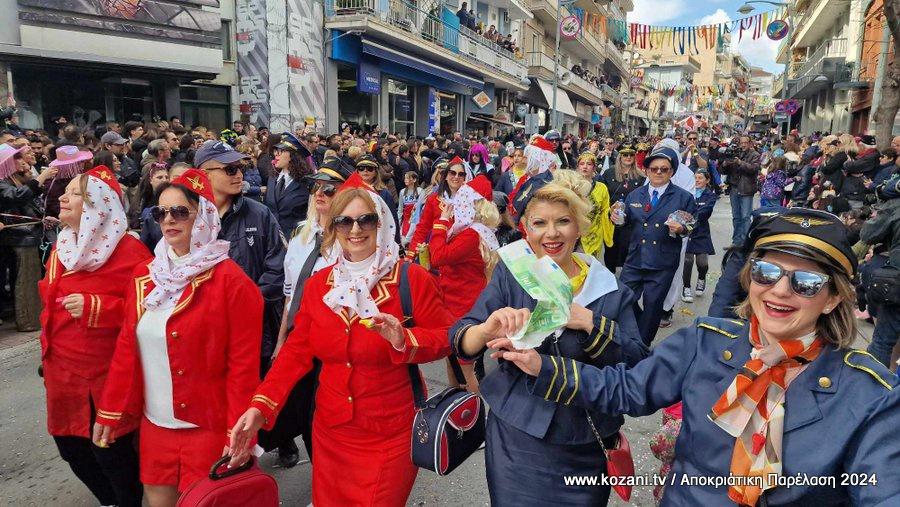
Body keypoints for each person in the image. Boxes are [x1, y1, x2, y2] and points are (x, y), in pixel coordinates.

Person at [492, 208, 900, 506]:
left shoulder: (870, 395)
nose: (780, 290)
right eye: (767, 272)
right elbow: (627, 389)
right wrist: (540, 366)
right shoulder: (704, 343)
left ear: (832, 299)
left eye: (807, 282)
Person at [227, 175, 453, 505]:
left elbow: (446, 337)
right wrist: (260, 406)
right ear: (333, 227)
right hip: (330, 433)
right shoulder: (319, 285)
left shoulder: (411, 278)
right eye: (344, 221)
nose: (355, 229)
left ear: (381, 223)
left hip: (390, 434)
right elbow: (295, 353)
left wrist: (404, 339)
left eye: (366, 219)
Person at [451, 169, 647, 506]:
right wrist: (485, 330)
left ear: (579, 227)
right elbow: (462, 339)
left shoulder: (608, 290)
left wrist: (591, 323)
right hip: (516, 438)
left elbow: (639, 367)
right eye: (540, 223)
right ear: (526, 228)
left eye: (563, 221)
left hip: (584, 440)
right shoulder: (513, 274)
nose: (551, 233)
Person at [94, 170, 263, 506]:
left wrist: (240, 432)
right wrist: (110, 410)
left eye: (180, 212)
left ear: (204, 216)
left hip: (209, 428)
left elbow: (243, 368)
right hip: (155, 427)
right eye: (161, 212)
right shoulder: (145, 276)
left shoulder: (232, 282)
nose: (169, 220)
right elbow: (127, 349)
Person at [39, 166, 150, 507]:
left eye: (74, 193)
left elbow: (150, 312)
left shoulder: (131, 253)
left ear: (97, 207)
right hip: (62, 373)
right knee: (70, 447)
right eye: (66, 191)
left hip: (106, 376)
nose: (63, 197)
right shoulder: (62, 247)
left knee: (112, 452)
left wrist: (98, 307)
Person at [270, 157, 351, 462]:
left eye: (329, 189)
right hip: (299, 338)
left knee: (326, 415)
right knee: (302, 412)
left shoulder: (351, 240)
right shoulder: (301, 234)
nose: (320, 193)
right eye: (316, 187)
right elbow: (290, 293)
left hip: (331, 341)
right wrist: (281, 340)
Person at [610, 146, 696, 345]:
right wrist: (617, 219)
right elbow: (625, 221)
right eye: (654, 169)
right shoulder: (635, 195)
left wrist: (682, 228)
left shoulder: (683, 197)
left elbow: (693, 225)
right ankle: (636, 334)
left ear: (671, 172)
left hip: (662, 261)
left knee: (653, 307)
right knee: (623, 299)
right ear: (647, 171)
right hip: (635, 258)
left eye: (664, 169)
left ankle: (642, 347)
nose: (658, 172)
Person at [430, 174, 499, 392]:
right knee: (455, 362)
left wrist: (441, 223)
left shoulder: (471, 234)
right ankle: (458, 402)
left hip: (461, 305)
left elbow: (438, 256)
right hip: (461, 301)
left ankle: (471, 408)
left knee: (464, 369)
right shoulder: (474, 230)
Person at [0, 144, 57, 331]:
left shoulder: (14, 178)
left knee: (31, 280)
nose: (21, 161)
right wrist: (40, 178)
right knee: (24, 281)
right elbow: (16, 197)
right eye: (16, 158)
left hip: (28, 234)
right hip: (19, 237)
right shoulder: (3, 182)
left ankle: (34, 318)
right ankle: (28, 321)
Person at [405, 156, 471, 260]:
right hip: (436, 253)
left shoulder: (470, 201)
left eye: (461, 174)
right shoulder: (433, 199)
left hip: (460, 256)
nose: (456, 177)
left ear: (464, 178)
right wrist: (411, 254)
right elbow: (422, 228)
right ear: (446, 176)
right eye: (452, 173)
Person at [602, 144, 645, 272]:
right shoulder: (609, 173)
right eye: (625, 154)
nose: (628, 157)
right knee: (611, 250)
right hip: (612, 218)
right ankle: (611, 276)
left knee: (629, 251)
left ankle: (628, 277)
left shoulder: (641, 176)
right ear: (620, 156)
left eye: (631, 154)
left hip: (631, 220)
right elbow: (603, 194)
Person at [264, 132, 313, 237]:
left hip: (295, 239)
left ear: (292, 155)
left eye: (281, 151)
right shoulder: (272, 179)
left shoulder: (306, 182)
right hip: (272, 239)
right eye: (275, 150)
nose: (276, 154)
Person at [681, 169, 718, 303]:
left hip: (701, 230)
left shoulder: (710, 195)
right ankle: (686, 288)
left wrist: (692, 217)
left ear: (707, 180)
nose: (697, 180)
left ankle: (701, 278)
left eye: (700, 178)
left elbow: (706, 211)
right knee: (688, 260)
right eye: (695, 178)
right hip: (687, 230)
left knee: (702, 263)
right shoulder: (687, 193)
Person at [720, 136, 761, 247]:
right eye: (741, 143)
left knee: (745, 217)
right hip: (734, 188)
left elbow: (753, 169)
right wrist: (724, 164)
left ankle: (745, 243)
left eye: (745, 143)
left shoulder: (755, 155)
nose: (743, 145)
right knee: (736, 217)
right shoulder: (734, 153)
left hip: (746, 189)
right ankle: (736, 242)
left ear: (750, 143)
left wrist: (740, 162)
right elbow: (723, 171)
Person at [574, 152, 613, 259]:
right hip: (576, 232)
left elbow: (605, 210)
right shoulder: (572, 186)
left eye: (589, 164)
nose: (585, 167)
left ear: (594, 168)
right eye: (582, 164)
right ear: (578, 167)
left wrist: (611, 213)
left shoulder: (602, 188)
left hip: (595, 233)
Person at [398, 170, 425, 247]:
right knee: (403, 238)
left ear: (414, 180)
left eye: (407, 178)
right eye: (405, 178)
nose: (405, 180)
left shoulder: (420, 191)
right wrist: (398, 221)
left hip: (416, 218)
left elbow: (421, 208)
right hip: (406, 219)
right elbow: (400, 208)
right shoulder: (402, 192)